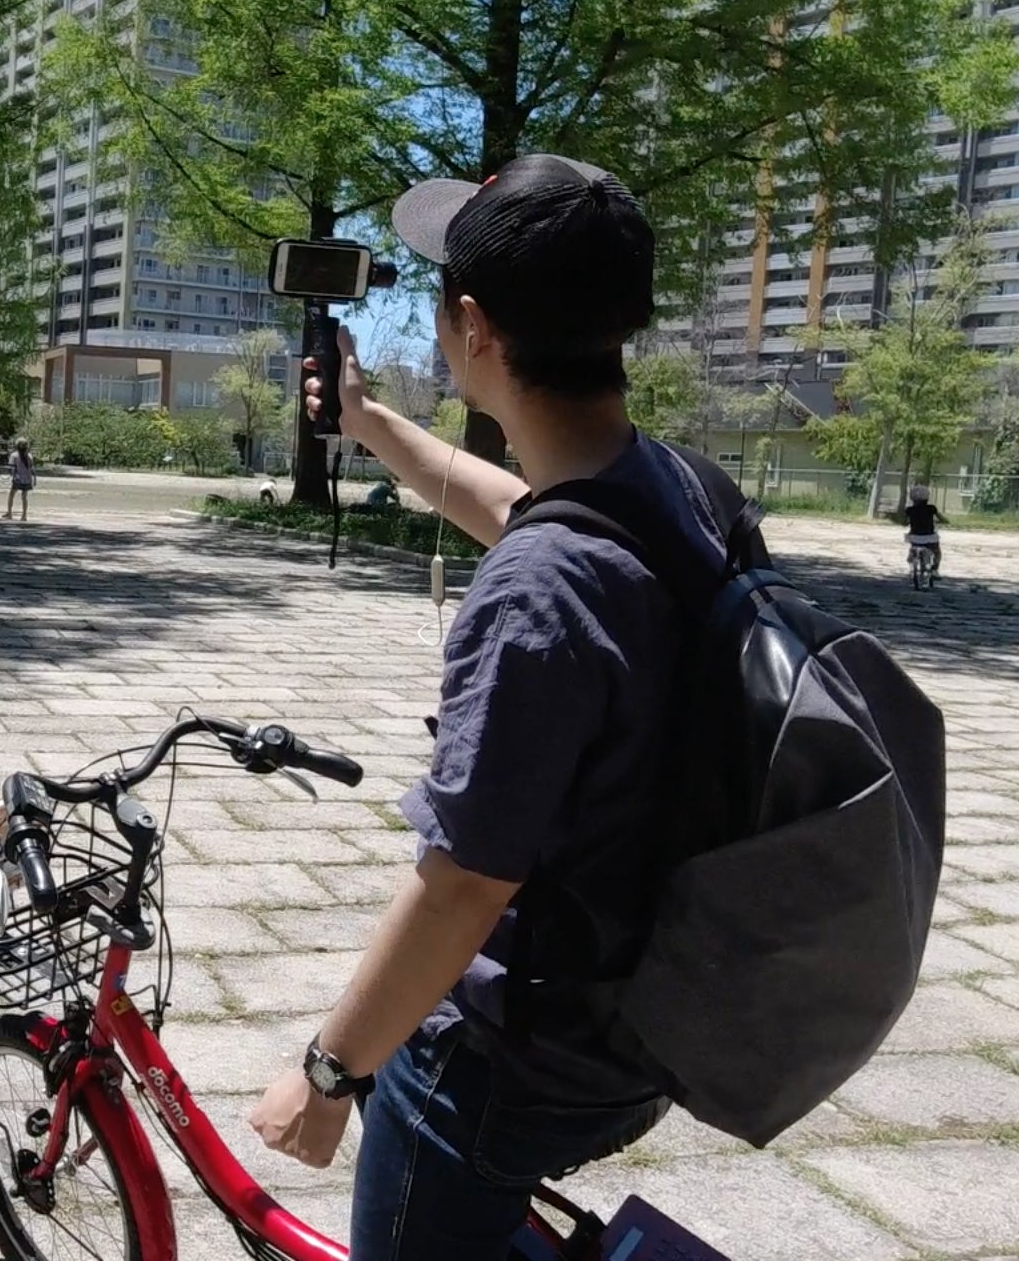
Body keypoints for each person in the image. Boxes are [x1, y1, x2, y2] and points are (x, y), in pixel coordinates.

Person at [248, 155, 709, 1259]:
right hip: (652, 1007)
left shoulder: (537, 595)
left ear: (472, 327)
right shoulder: (676, 489)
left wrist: (330, 1071)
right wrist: (369, 424)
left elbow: (463, 883)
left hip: (514, 1059)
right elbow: (522, 506)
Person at [3, 439, 36, 519]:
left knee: (11, 495)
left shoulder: (14, 455)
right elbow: (32, 468)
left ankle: (10, 513)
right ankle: (24, 515)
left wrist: (12, 475)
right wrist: (34, 479)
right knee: (24, 497)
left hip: (18, 478)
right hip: (27, 479)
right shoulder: (29, 456)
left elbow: (12, 468)